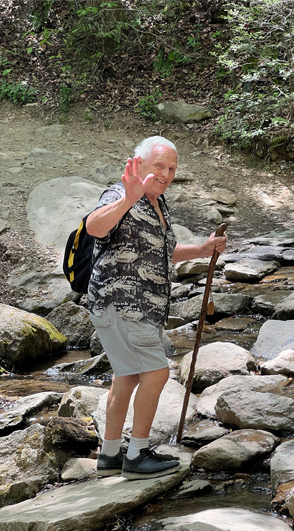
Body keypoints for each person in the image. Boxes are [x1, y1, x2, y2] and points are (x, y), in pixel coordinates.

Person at [86, 136, 227, 480]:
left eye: (172, 168)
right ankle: (137, 454)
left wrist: (203, 249)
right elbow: (95, 226)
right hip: (123, 302)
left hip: (135, 307)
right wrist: (129, 198)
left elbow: (162, 252)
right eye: (159, 166)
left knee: (128, 375)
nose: (165, 174)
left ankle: (110, 454)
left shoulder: (159, 203)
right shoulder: (120, 194)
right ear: (139, 164)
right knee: (157, 372)